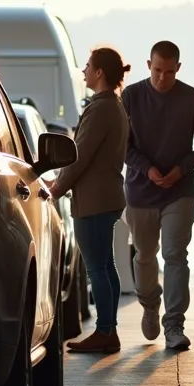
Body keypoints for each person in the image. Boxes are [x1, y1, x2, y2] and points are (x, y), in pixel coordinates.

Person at [121, 41, 194, 351]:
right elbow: (121, 144)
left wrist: (181, 168)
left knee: (175, 254)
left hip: (180, 190)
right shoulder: (131, 96)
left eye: (169, 72)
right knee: (145, 256)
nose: (163, 78)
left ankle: (174, 324)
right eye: (158, 70)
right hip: (139, 190)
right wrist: (146, 168)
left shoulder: (191, 98)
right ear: (148, 64)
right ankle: (150, 304)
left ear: (179, 68)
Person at [50, 47, 131, 354]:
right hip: (106, 196)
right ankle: (107, 330)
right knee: (105, 266)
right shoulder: (114, 106)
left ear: (99, 73)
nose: (83, 71)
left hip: (94, 200)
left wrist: (57, 187)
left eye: (87, 66)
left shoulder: (101, 108)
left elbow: (79, 155)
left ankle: (105, 332)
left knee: (97, 268)